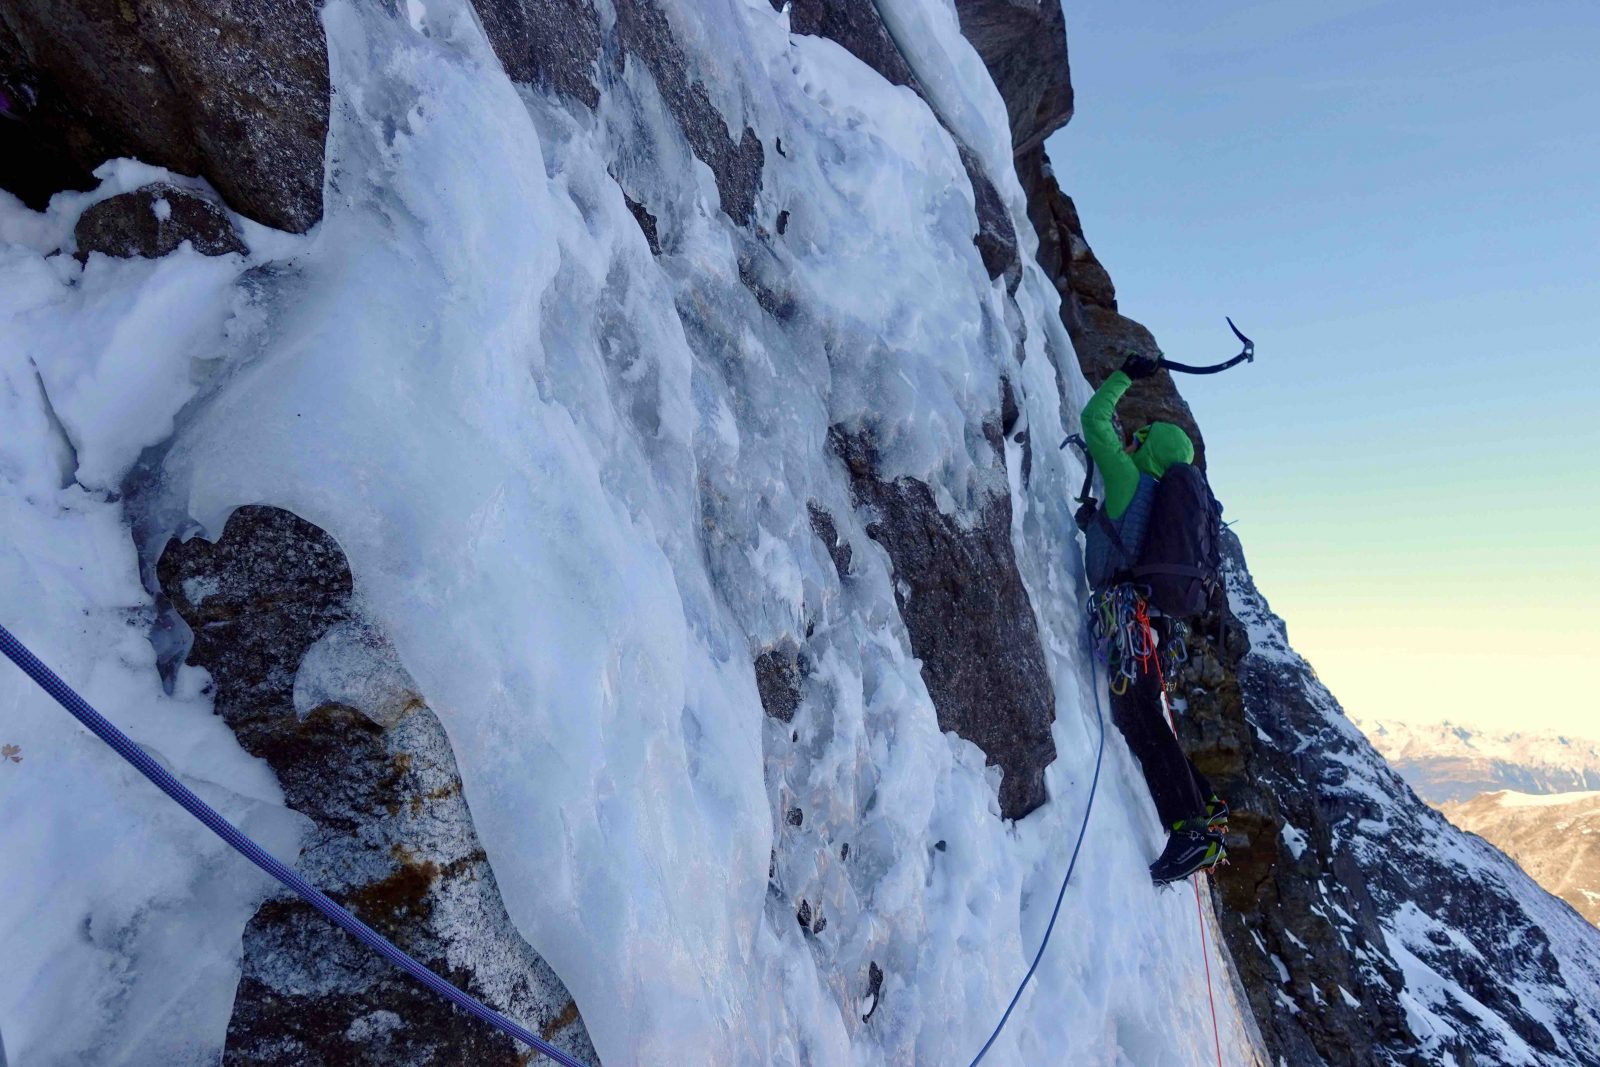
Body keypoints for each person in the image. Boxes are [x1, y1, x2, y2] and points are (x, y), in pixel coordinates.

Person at [1080, 353, 1227, 884]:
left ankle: (1190, 828)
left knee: (1140, 723)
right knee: (1148, 719)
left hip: (1125, 617)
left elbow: (1093, 420)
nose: (1128, 444)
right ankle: (1206, 806)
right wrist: (1095, 523)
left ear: (1146, 450)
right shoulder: (1157, 502)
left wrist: (1123, 374)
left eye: (1137, 441)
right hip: (1150, 623)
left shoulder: (1125, 478)